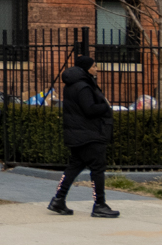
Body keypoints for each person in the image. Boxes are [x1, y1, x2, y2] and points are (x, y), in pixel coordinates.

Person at [49, 51, 119, 219]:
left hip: (77, 133)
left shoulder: (71, 85)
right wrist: (106, 106)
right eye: (94, 66)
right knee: (97, 169)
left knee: (74, 167)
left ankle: (58, 199)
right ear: (87, 68)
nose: (97, 69)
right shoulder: (84, 87)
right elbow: (89, 109)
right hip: (90, 134)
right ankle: (100, 204)